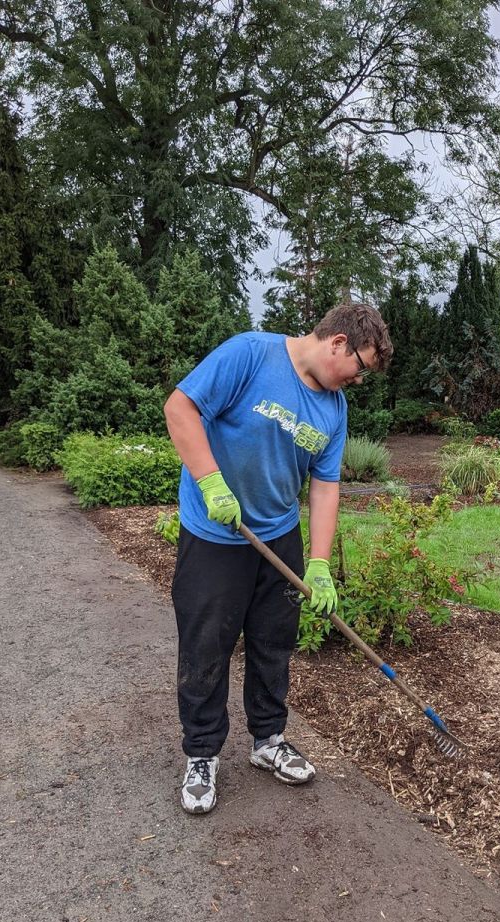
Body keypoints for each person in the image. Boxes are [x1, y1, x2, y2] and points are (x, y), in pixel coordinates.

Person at [164, 303, 393, 814]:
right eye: (360, 367)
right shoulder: (250, 354)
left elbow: (325, 485)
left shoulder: (333, 410)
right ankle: (202, 754)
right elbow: (180, 409)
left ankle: (268, 741)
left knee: (273, 644)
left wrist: (319, 563)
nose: (358, 380)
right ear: (337, 342)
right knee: (206, 648)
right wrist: (210, 482)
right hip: (216, 537)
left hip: (277, 539)